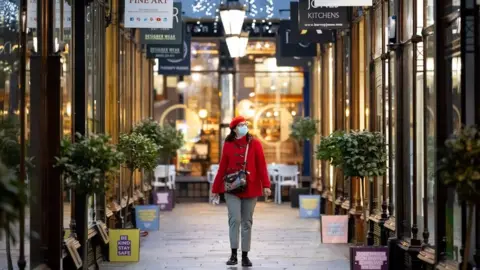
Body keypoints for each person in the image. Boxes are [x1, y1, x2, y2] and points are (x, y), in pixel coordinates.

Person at [211, 116, 272, 267]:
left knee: (247, 222)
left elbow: (262, 165)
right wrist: (215, 188)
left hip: (251, 187)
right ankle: (233, 254)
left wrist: (266, 185)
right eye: (241, 125)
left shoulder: (255, 143)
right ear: (234, 129)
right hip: (232, 188)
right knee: (235, 220)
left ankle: (245, 255)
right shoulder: (228, 144)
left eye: (245, 124)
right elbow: (222, 166)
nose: (244, 126)